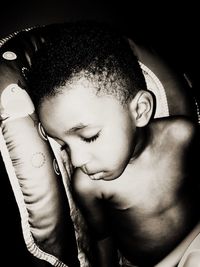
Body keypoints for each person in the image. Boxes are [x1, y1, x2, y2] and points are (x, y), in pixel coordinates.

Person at [27, 21, 200, 267]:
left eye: (89, 137)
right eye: (64, 145)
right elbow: (102, 238)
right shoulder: (88, 185)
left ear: (139, 110)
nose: (76, 161)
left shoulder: (183, 134)